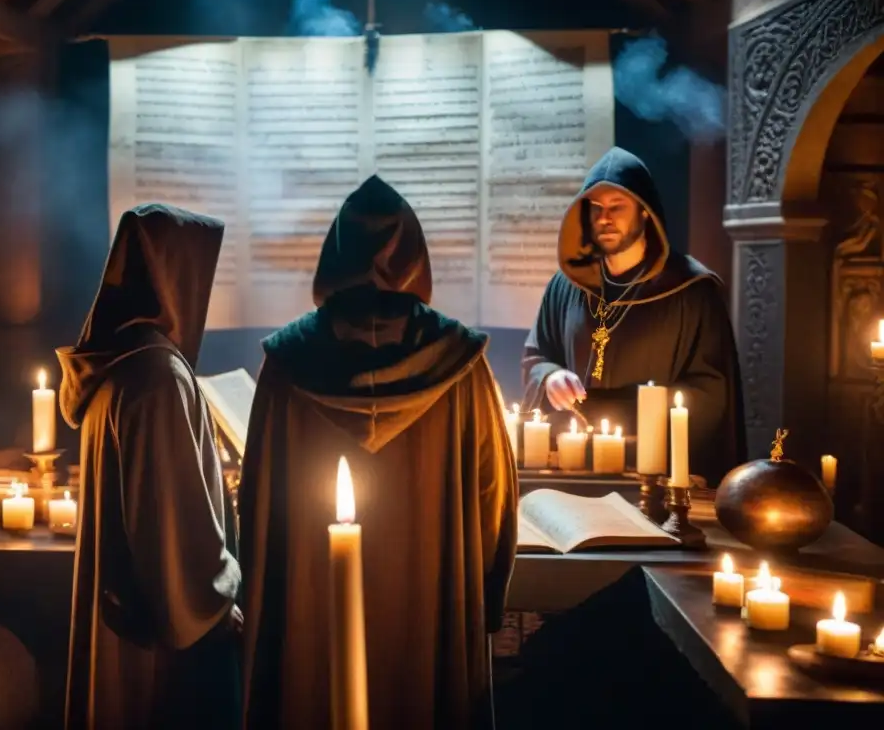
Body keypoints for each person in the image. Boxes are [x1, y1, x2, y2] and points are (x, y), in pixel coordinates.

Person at [239, 175, 518, 730]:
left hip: (306, 607)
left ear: (335, 253)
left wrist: (262, 599)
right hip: (433, 605)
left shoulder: (290, 359)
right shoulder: (459, 360)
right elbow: (494, 495)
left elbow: (257, 497)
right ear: (415, 256)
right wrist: (484, 599)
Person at [57, 204, 242, 730]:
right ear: (174, 277)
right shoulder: (159, 375)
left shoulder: (116, 363)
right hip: (158, 644)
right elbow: (171, 531)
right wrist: (216, 602)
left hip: (120, 625)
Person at [522, 146, 746, 484]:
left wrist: (619, 408)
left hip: (653, 476)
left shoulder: (691, 289)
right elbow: (537, 354)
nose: (604, 218)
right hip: (576, 469)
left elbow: (711, 392)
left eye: (617, 207)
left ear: (645, 212)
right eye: (596, 209)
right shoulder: (566, 284)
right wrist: (551, 377)